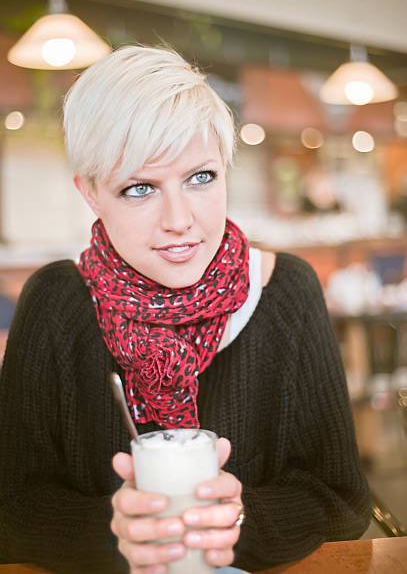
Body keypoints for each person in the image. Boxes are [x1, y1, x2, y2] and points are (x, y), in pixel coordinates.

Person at [0, 45, 371, 574]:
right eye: (139, 188)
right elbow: (10, 508)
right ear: (91, 194)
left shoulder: (286, 290)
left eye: (201, 177)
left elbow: (342, 500)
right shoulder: (57, 302)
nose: (180, 219)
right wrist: (117, 533)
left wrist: (235, 519)